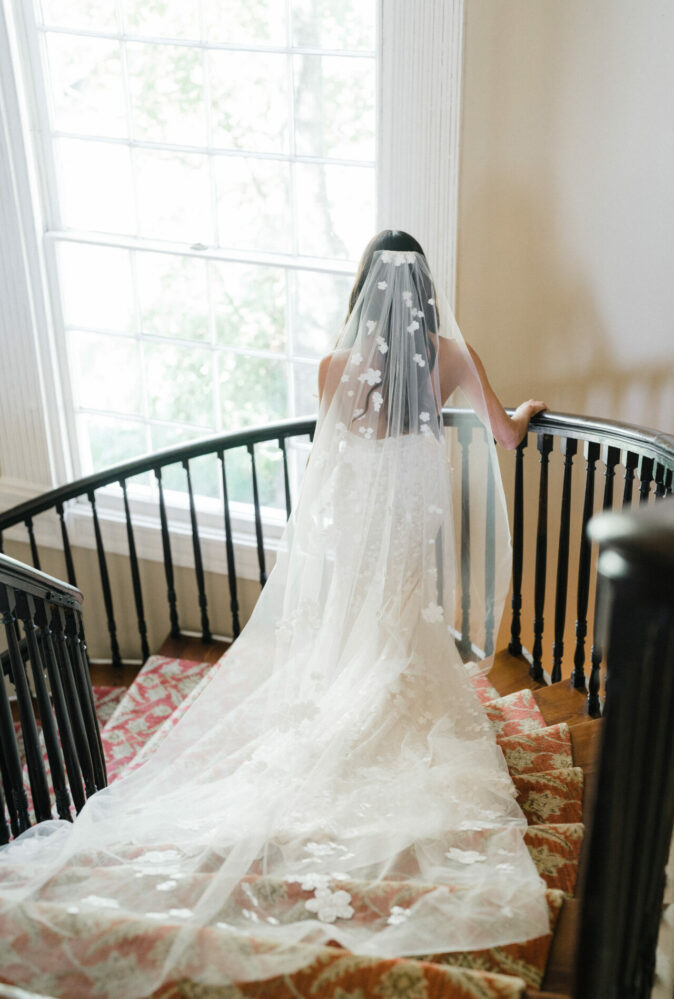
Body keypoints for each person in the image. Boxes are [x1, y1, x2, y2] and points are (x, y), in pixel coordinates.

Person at [0, 230, 549, 999]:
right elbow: (505, 434)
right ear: (427, 293)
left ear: (363, 291)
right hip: (406, 545)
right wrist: (521, 410)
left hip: (356, 543)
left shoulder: (334, 370)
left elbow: (329, 473)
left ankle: (344, 702)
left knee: (353, 647)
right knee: (400, 638)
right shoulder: (454, 357)